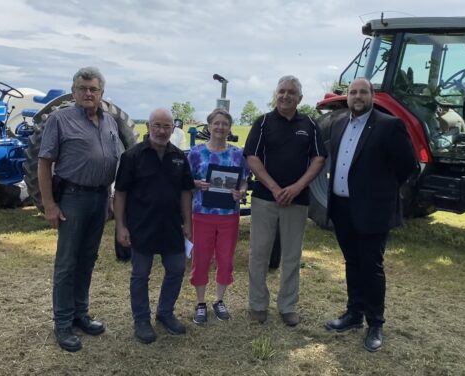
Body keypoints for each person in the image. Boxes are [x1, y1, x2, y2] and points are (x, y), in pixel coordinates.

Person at [324, 77, 417, 352]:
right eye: (353, 92)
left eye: (363, 92)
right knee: (352, 262)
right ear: (348, 97)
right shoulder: (340, 123)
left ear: (372, 96)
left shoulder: (389, 126)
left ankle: (375, 322)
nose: (357, 96)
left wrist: (380, 193)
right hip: (342, 206)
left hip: (372, 210)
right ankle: (353, 314)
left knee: (371, 266)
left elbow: (407, 167)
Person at [38, 66, 119, 352]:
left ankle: (80, 314)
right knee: (66, 264)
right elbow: (45, 163)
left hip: (99, 199)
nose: (88, 93)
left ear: (101, 93)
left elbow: (111, 161)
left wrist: (110, 198)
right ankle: (62, 324)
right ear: (73, 92)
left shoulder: (110, 121)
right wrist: (49, 204)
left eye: (93, 89)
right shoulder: (59, 120)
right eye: (82, 89)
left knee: (87, 259)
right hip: (72, 197)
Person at [243, 75, 327, 326]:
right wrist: (275, 187)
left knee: (291, 255)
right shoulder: (263, 122)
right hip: (265, 199)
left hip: (297, 200)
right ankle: (258, 304)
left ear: (299, 98)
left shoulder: (310, 124)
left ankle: (288, 305)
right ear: (275, 94)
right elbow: (252, 157)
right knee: (259, 253)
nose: (286, 95)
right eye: (282, 91)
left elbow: (319, 158)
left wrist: (296, 187)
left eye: (291, 92)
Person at [114, 108, 194, 344]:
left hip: (171, 226)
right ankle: (141, 319)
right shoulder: (132, 156)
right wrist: (120, 226)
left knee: (177, 269)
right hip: (141, 225)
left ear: (173, 129)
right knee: (140, 274)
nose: (161, 130)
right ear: (148, 127)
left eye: (166, 126)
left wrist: (188, 223)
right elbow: (120, 194)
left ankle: (165, 312)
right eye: (157, 125)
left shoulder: (180, 157)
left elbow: (185, 193)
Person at [187, 108, 250, 325]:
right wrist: (196, 184)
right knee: (201, 257)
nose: (220, 127)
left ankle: (220, 300)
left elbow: (244, 180)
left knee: (225, 258)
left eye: (224, 124)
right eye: (216, 123)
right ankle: (201, 302)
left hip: (228, 214)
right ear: (209, 125)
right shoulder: (195, 153)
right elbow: (185, 182)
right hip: (202, 213)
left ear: (229, 127)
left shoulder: (237, 154)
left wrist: (241, 191)